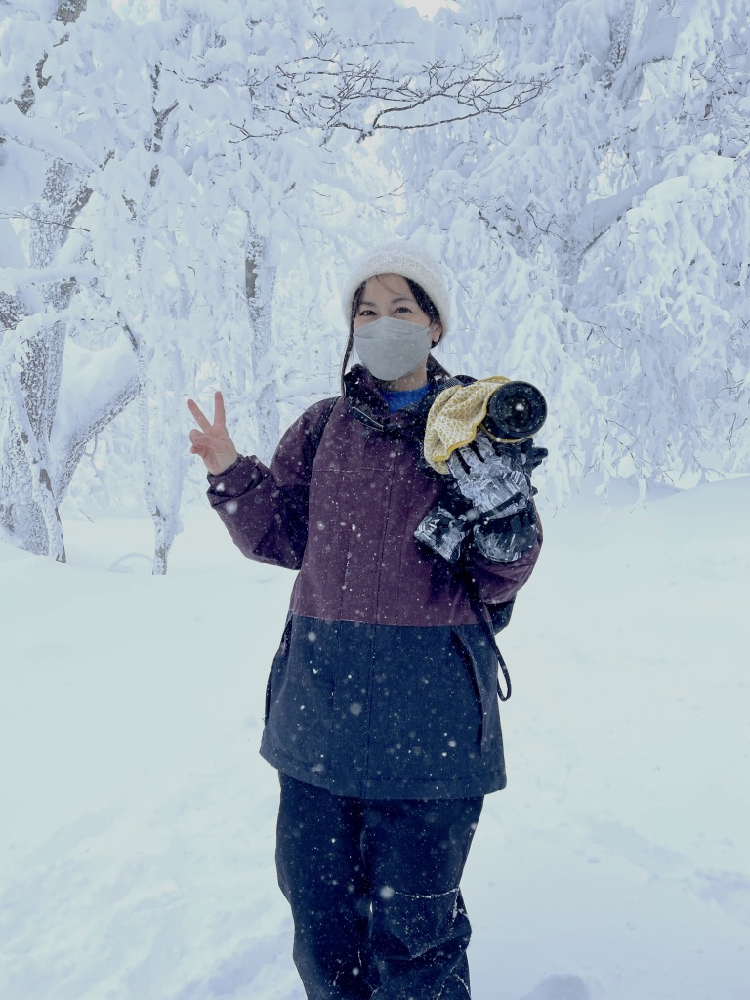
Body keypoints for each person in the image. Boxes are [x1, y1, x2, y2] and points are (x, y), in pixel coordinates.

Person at [187, 242, 542, 1000]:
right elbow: (280, 536)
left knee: (417, 940)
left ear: (436, 325)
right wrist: (230, 471)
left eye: (401, 310)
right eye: (366, 312)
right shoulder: (321, 430)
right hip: (317, 732)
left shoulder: (476, 427)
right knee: (323, 932)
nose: (382, 325)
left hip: (433, 735)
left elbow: (503, 574)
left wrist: (506, 519)